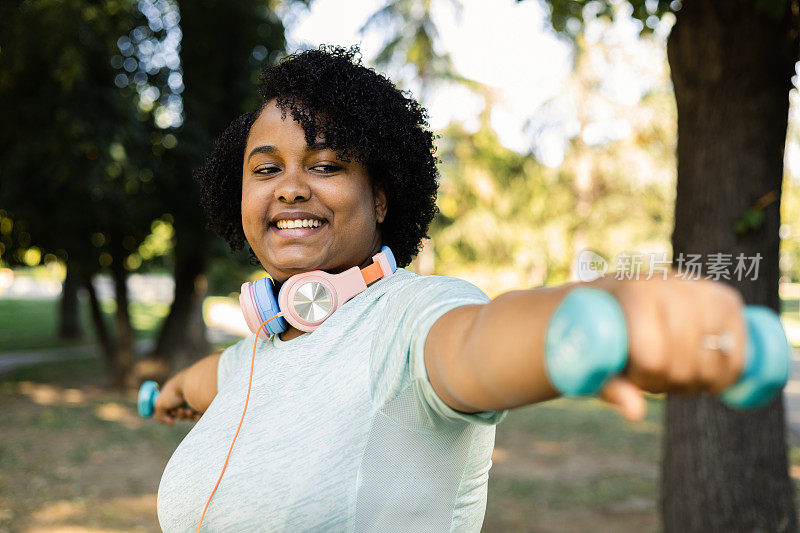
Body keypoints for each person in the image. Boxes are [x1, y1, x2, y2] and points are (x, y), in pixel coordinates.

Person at [153, 45, 746, 532]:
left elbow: (476, 344)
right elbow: (204, 381)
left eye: (327, 165)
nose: (289, 188)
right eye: (265, 168)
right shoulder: (260, 347)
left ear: (381, 197)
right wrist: (169, 393)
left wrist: (584, 318)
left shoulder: (416, 315)